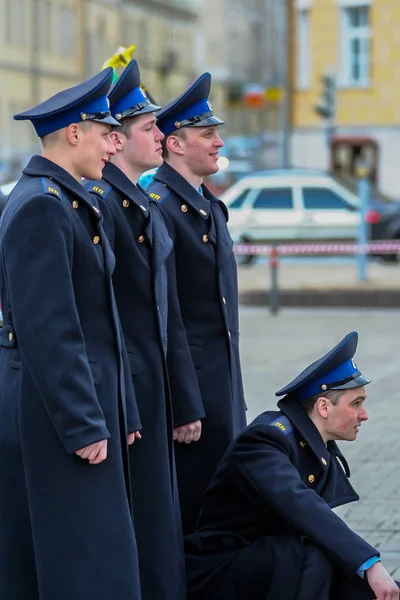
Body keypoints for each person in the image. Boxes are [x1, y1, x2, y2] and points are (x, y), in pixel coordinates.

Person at [0, 69, 142, 600]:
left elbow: (102, 320)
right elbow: (50, 332)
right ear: (75, 133)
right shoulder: (41, 205)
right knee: (77, 560)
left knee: (91, 554)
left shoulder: (73, 199)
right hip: (57, 419)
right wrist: (84, 424)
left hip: (84, 410)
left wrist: (120, 409)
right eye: (107, 133)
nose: (116, 143)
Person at [85, 60, 205, 600]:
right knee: (141, 520)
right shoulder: (107, 204)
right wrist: (128, 402)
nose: (161, 135)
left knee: (161, 518)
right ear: (117, 137)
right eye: (148, 128)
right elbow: (102, 316)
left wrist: (183, 398)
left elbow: (167, 312)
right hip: (128, 389)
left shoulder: (139, 203)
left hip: (152, 388)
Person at [185, 331, 400, 600]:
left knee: (377, 588)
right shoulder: (265, 440)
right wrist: (369, 563)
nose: (364, 415)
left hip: (277, 563)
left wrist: (369, 571)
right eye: (356, 403)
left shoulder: (315, 445)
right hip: (222, 570)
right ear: (323, 406)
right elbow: (300, 504)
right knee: (315, 556)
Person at [146, 73, 247, 534]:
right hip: (193, 400)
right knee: (193, 515)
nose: (218, 142)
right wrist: (185, 403)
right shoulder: (161, 207)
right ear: (175, 144)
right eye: (207, 135)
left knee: (222, 505)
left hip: (222, 389)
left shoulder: (209, 205)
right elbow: (165, 318)